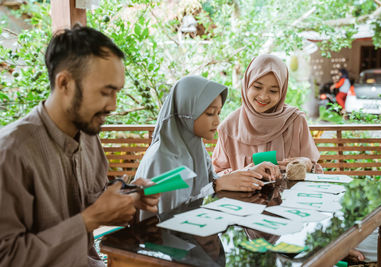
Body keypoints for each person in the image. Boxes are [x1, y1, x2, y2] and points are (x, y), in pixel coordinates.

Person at [0, 25, 159, 267]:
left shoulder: (87, 135)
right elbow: (8, 258)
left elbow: (93, 199)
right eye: (106, 92)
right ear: (64, 83)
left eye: (117, 92)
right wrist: (89, 220)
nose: (114, 105)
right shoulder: (10, 153)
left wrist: (129, 197)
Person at [134, 75, 280, 216]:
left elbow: (211, 181)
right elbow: (170, 214)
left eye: (218, 113)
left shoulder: (195, 148)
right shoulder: (163, 158)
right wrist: (216, 186)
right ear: (187, 113)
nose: (217, 121)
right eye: (210, 113)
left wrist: (250, 172)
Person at [212, 54, 322, 175]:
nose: (263, 96)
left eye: (273, 91)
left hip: (290, 193)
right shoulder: (229, 127)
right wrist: (246, 172)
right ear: (247, 84)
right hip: (244, 193)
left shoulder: (295, 121)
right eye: (257, 87)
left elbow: (314, 170)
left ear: (282, 91)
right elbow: (217, 175)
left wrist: (306, 164)